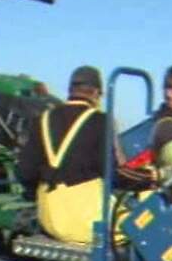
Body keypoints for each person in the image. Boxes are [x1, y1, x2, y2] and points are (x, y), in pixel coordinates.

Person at [18, 66, 157, 244]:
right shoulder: (100, 121)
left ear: (70, 91)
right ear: (96, 93)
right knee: (142, 225)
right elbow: (114, 174)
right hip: (85, 222)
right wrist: (150, 178)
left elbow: (25, 171)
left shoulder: (43, 119)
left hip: (49, 218)